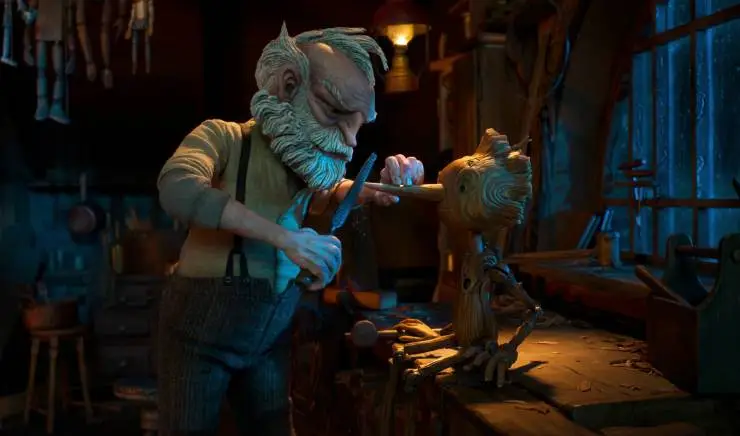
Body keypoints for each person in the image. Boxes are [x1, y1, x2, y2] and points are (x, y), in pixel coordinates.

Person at [156, 24, 425, 436]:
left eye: (357, 125)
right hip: (199, 335)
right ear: (288, 85)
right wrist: (284, 239)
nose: (350, 141)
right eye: (333, 113)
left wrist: (387, 185)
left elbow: (331, 192)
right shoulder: (224, 138)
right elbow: (178, 187)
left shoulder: (302, 166)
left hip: (269, 336)